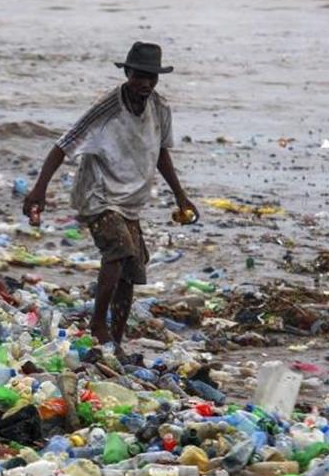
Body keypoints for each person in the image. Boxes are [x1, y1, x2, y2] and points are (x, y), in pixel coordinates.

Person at [22, 41, 198, 356]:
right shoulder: (108, 108)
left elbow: (161, 153)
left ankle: (114, 340)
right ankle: (97, 323)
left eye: (151, 78)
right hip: (98, 194)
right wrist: (39, 190)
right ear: (128, 72)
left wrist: (181, 196)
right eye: (139, 76)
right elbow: (64, 145)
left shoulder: (160, 108)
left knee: (132, 269)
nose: (145, 83)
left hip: (130, 200)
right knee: (119, 249)